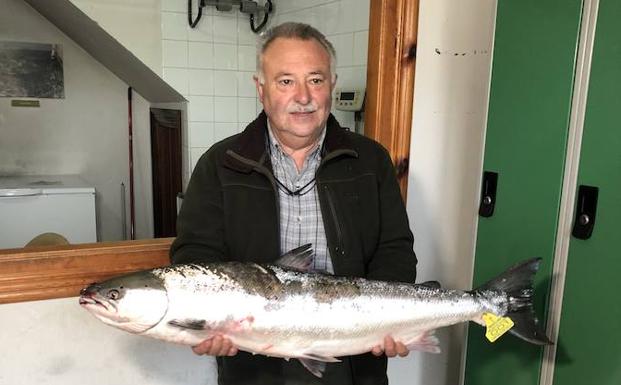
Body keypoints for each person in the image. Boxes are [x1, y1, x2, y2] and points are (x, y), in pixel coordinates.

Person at [170, 22, 417, 385]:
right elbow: (196, 255)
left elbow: (394, 250)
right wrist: (206, 319)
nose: (303, 96)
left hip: (352, 361)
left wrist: (390, 316)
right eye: (286, 81)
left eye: (315, 80)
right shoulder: (221, 164)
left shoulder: (370, 160)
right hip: (255, 365)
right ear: (261, 88)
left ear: (331, 84)